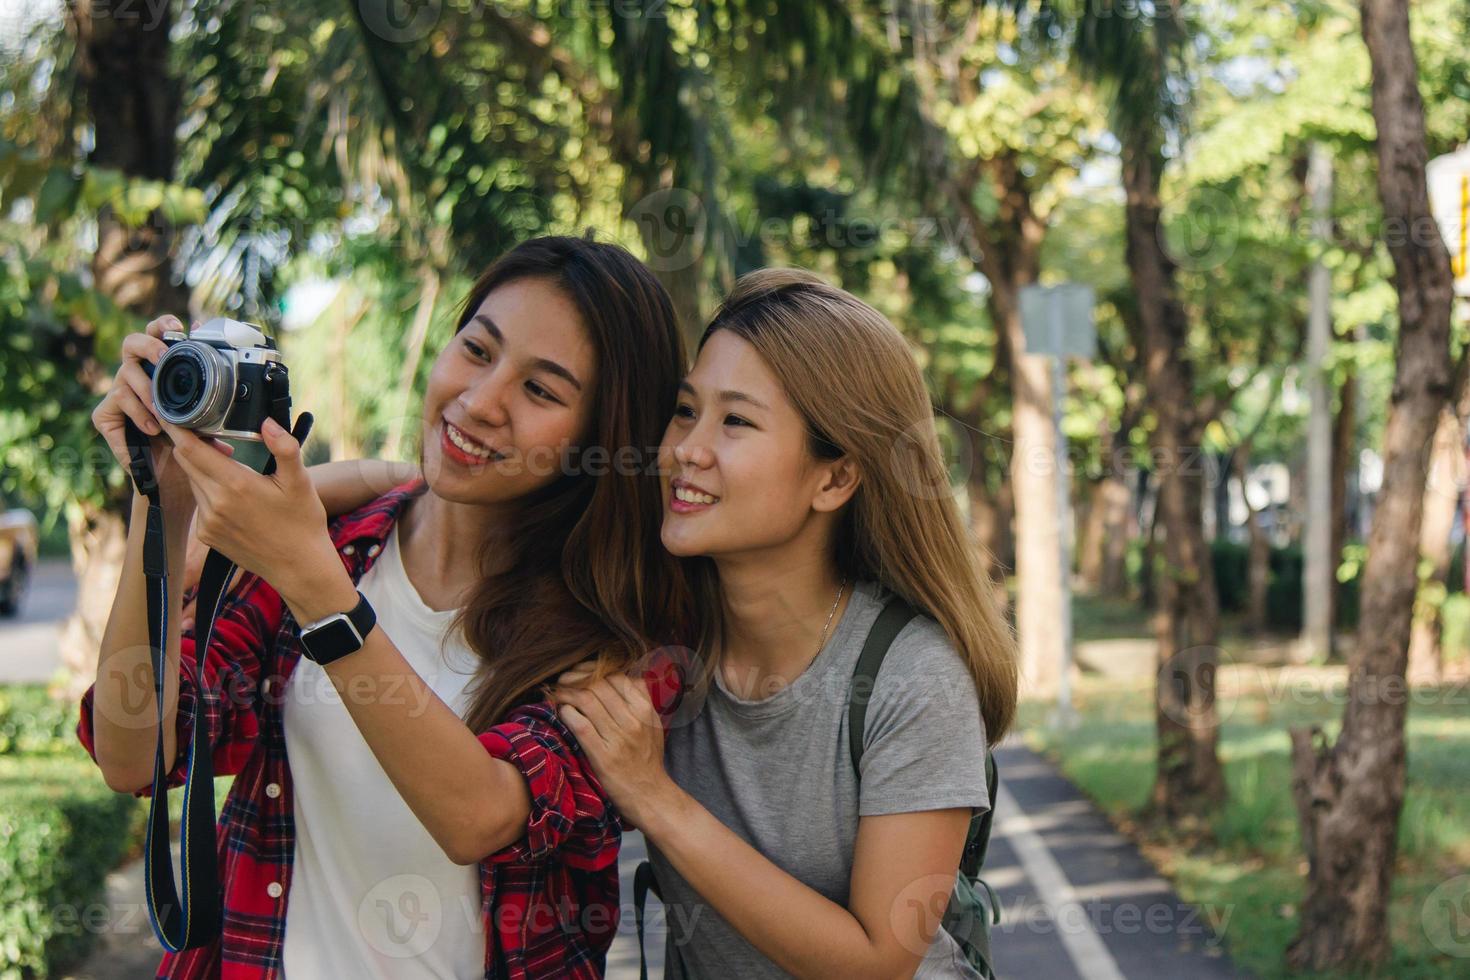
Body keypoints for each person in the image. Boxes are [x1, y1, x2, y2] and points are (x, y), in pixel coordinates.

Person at [77, 235, 693, 979]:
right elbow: (132, 752)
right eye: (477, 348)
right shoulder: (335, 542)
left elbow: (481, 816)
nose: (481, 401)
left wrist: (315, 589)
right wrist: (164, 502)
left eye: (541, 391)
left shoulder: (621, 633)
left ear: (602, 435)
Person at [550, 269, 1018, 978]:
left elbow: (878, 962)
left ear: (834, 478)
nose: (686, 449)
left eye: (735, 421)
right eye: (685, 410)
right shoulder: (658, 630)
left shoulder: (913, 675)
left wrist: (653, 796)